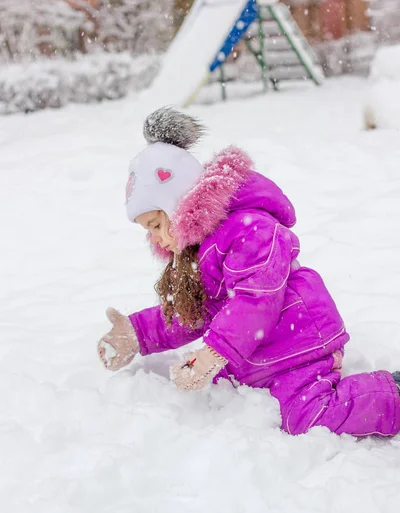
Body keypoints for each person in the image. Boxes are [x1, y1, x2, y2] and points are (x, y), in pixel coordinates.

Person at [98, 107, 400, 437]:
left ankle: (391, 396)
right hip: (263, 353)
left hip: (299, 344)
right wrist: (136, 333)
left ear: (178, 204)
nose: (154, 238)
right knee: (231, 399)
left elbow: (256, 300)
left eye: (156, 225)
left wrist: (214, 352)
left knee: (307, 416)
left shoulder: (249, 229)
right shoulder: (198, 252)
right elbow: (193, 312)